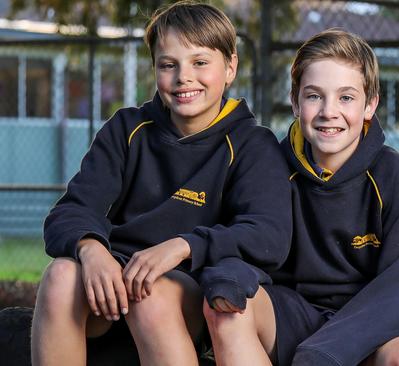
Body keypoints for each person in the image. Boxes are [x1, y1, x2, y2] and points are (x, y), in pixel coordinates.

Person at [30, 2, 291, 365]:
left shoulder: (252, 144)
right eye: (169, 64)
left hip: (191, 289)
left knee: (149, 294)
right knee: (60, 276)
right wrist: (91, 249)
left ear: (230, 67)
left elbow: (268, 236)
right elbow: (70, 211)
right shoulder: (126, 129)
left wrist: (183, 246)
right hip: (117, 283)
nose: (184, 76)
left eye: (200, 63)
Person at [200, 28, 399, 366]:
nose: (329, 111)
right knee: (228, 308)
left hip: (369, 321)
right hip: (292, 313)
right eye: (314, 96)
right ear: (295, 101)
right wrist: (230, 276)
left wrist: (323, 352)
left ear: (370, 105)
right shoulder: (267, 166)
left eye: (346, 98)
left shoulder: (392, 174)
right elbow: (246, 240)